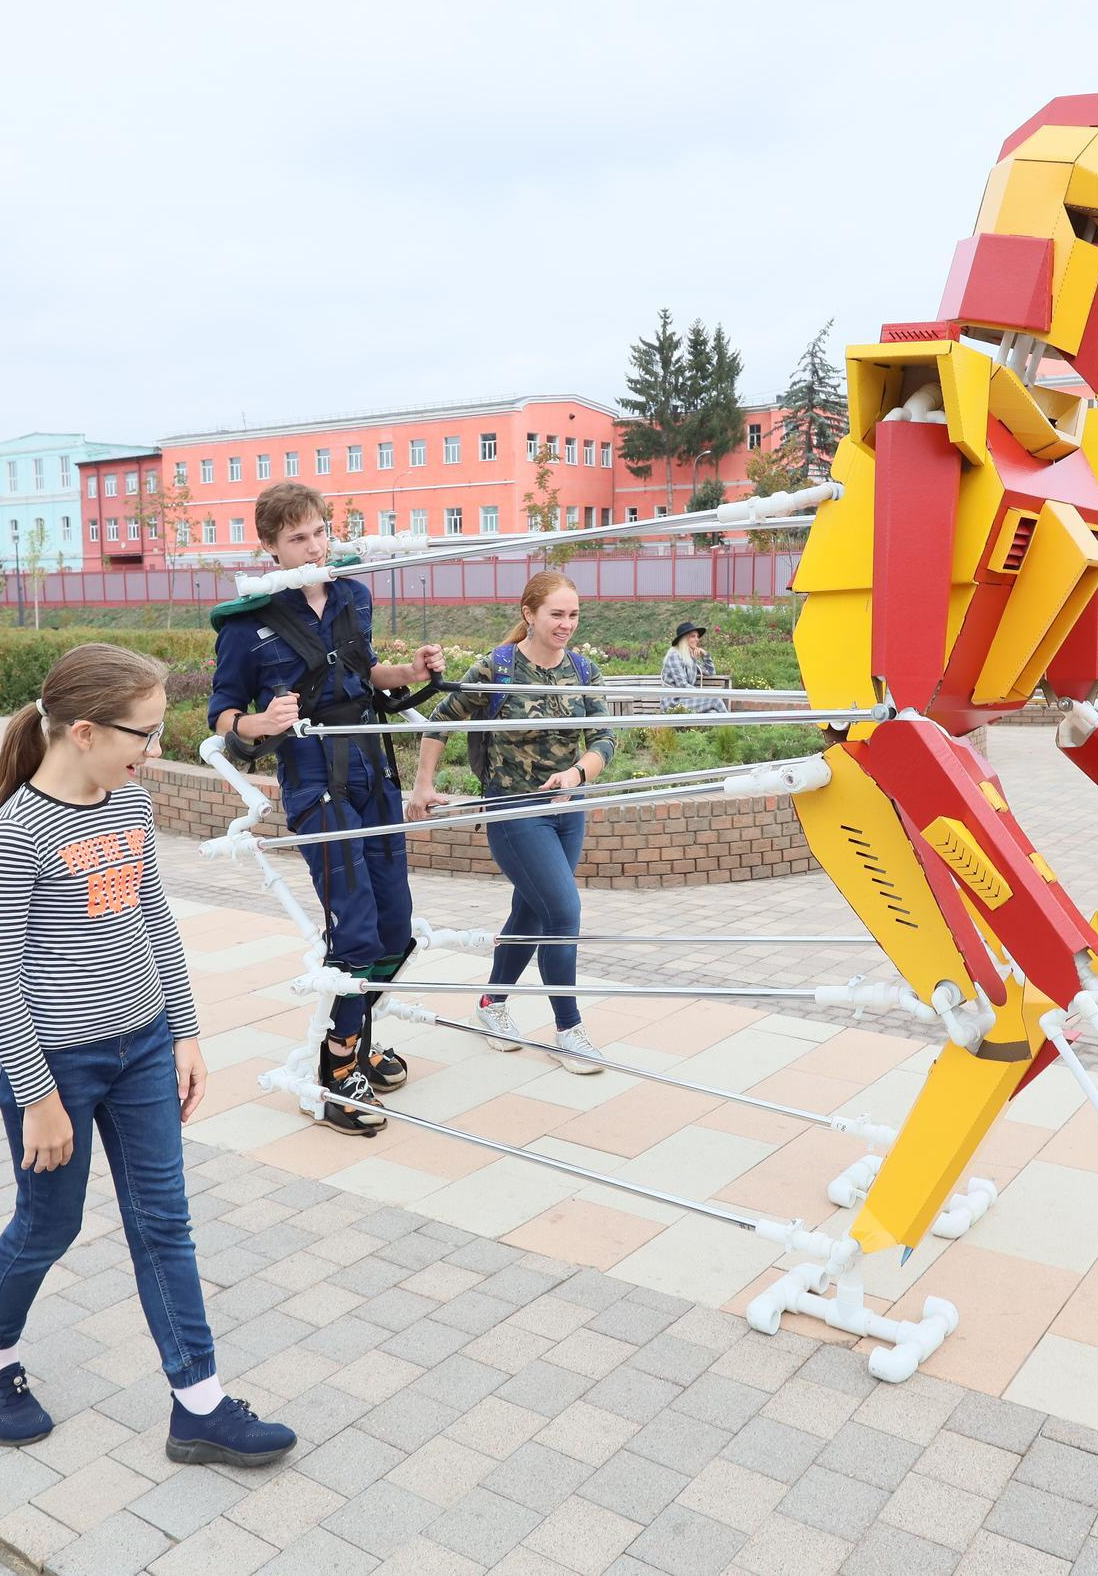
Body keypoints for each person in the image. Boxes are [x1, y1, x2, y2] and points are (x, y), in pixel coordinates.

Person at [0, 642, 295, 1467]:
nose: (154, 749)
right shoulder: (16, 832)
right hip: (57, 1069)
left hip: (143, 1046)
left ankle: (199, 1403)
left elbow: (153, 924)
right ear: (82, 731)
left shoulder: (129, 808)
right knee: (48, 1226)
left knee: (163, 1223)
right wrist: (38, 1096)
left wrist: (184, 1031)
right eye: (143, 733)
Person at [208, 483, 446, 1136]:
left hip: (374, 769)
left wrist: (410, 670)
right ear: (271, 548)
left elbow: (365, 673)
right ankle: (335, 1067)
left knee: (396, 926)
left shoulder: (352, 596)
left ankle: (358, 1036)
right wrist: (263, 719)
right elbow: (223, 718)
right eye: (297, 539)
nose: (313, 546)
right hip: (316, 782)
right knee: (357, 929)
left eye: (318, 533)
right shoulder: (245, 625)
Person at [410, 572, 610, 1077]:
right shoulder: (497, 670)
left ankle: (491, 1004)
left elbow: (606, 737)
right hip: (512, 811)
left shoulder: (583, 671)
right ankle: (569, 1031)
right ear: (529, 614)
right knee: (563, 912)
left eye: (573, 615)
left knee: (534, 912)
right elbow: (441, 720)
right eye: (556, 615)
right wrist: (423, 785)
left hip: (568, 808)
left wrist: (576, 773)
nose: (566, 625)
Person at [659, 621, 726, 713]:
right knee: (715, 700)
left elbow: (711, 672)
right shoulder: (674, 655)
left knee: (712, 713)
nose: (697, 639)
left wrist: (705, 655)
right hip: (673, 704)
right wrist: (705, 694)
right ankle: (735, 725)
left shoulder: (690, 657)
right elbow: (682, 685)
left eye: (697, 637)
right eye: (693, 636)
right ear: (684, 639)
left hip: (687, 700)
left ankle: (728, 727)